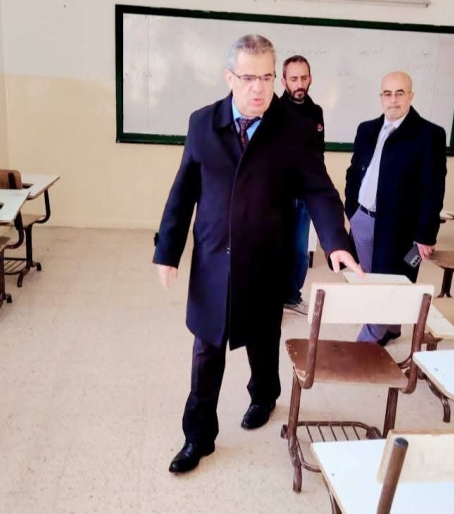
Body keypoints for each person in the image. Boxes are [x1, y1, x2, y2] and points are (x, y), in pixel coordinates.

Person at [154, 34, 362, 474]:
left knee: (263, 339)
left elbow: (319, 189)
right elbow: (184, 189)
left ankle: (264, 395)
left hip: (266, 258)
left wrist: (336, 242)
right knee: (206, 349)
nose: (259, 88)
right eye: (249, 78)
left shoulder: (293, 128)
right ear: (229, 78)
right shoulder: (203, 124)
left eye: (267, 77)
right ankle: (197, 437)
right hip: (214, 258)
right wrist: (167, 250)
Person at [345, 71, 447, 346]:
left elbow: (433, 189)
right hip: (363, 220)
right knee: (370, 280)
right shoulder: (366, 130)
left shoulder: (429, 135)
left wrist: (426, 234)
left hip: (400, 229)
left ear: (411, 96)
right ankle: (390, 327)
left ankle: (366, 343)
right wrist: (351, 210)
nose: (393, 99)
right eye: (387, 94)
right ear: (381, 97)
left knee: (391, 283)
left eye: (400, 93)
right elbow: (354, 173)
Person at [279, 55, 325, 317]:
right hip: (278, 197)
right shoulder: (273, 111)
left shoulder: (316, 112)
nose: (299, 84)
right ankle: (271, 301)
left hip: (305, 196)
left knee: (299, 251)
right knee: (276, 249)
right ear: (284, 81)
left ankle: (291, 297)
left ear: (310, 79)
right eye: (294, 78)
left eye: (303, 78)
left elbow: (318, 154)